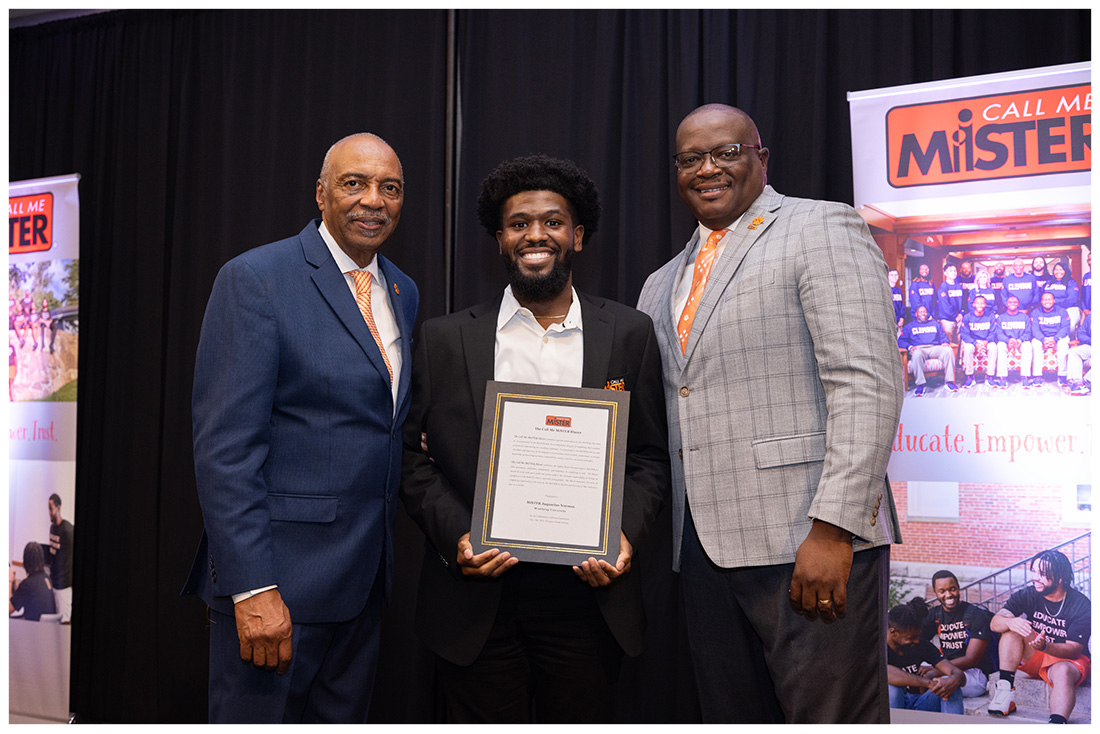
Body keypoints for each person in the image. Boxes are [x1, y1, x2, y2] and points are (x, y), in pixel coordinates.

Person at [636, 104, 903, 723]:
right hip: (700, 548)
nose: (707, 168)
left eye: (726, 152)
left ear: (760, 157)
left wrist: (835, 527)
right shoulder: (659, 283)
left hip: (808, 540)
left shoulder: (822, 228)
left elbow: (867, 383)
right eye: (690, 158)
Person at [400, 155, 669, 723]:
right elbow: (410, 460)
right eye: (518, 223)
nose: (535, 234)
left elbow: (647, 456)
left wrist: (623, 536)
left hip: (589, 599)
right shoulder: (444, 339)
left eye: (552, 220)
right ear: (499, 240)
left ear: (578, 234)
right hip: (476, 599)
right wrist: (459, 537)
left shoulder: (628, 333)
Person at [183, 133, 419, 724]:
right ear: (320, 193)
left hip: (364, 587)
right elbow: (226, 450)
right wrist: (251, 587)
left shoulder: (402, 290)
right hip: (279, 591)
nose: (374, 200)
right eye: (354, 183)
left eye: (389, 188)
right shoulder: (256, 279)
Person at [988, 551, 1091, 724]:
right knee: (1012, 629)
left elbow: (1074, 650)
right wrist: (1011, 622)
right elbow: (994, 623)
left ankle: (1057, 722)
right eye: (1034, 572)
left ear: (1060, 578)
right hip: (1037, 652)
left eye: (1042, 574)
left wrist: (1046, 647)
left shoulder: (1081, 604)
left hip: (1066, 660)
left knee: (1063, 671)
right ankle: (1005, 693)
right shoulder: (1028, 594)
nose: (1035, 578)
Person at [922, 570, 996, 697]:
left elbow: (971, 659)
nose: (949, 595)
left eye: (952, 589)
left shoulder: (976, 615)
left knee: (944, 684)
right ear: (935, 592)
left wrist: (936, 669)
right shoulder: (935, 614)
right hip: (944, 665)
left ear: (958, 588)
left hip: (972, 674)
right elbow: (918, 642)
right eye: (942, 591)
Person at [887, 597, 965, 715]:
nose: (917, 641)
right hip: (889, 708)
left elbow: (956, 672)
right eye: (911, 638)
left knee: (950, 688)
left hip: (919, 704)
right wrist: (929, 683)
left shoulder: (922, 645)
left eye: (918, 636)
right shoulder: (878, 647)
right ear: (893, 632)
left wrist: (954, 680)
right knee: (893, 690)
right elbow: (887, 673)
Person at [899, 305, 957, 396]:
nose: (923, 314)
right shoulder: (909, 326)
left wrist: (945, 342)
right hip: (919, 348)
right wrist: (910, 347)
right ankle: (920, 384)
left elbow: (943, 336)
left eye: (925, 312)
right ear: (916, 314)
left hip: (934, 347)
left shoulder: (935, 324)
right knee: (916, 354)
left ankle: (949, 382)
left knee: (948, 350)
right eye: (921, 312)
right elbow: (900, 341)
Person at [1029, 291, 1071, 387]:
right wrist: (1043, 339)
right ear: (1041, 301)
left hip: (1058, 337)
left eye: (1049, 299)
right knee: (1035, 344)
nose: (1047, 301)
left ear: (1054, 301)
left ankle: (1062, 375)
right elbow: (1035, 329)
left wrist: (1055, 339)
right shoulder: (1036, 312)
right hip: (1042, 337)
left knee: (1063, 345)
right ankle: (1037, 376)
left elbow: (1065, 328)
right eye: (1045, 299)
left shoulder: (1062, 311)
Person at [43, 494, 73, 622]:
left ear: (58, 508)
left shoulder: (67, 530)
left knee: (64, 622)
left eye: (51, 508)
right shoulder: (52, 528)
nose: (49, 512)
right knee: (54, 622)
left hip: (64, 587)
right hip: (54, 583)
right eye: (48, 509)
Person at [9, 542, 57, 621]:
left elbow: (8, 609)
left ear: (26, 561)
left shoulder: (27, 584)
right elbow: (26, 593)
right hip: (46, 629)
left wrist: (9, 580)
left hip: (33, 629)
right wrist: (15, 582)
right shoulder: (46, 578)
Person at [993, 295, 1033, 388]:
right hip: (1007, 341)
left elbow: (1028, 332)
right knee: (1000, 346)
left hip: (1021, 341)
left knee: (1027, 346)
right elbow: (999, 333)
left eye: (1015, 302)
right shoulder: (1001, 318)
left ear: (1018, 304)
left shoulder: (1025, 317)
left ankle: (1025, 377)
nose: (1012, 304)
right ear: (1006, 304)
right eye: (1010, 302)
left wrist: (1019, 340)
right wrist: (1008, 340)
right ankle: (1002, 378)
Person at [959, 295, 998, 388]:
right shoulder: (967, 317)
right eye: (978, 303)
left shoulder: (990, 316)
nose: (980, 305)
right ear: (974, 305)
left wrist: (986, 341)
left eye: (982, 303)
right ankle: (970, 377)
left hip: (986, 340)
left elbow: (993, 332)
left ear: (985, 305)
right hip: (973, 341)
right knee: (968, 348)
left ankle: (990, 376)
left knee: (993, 347)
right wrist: (975, 343)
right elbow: (964, 334)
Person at [1044, 260, 1080, 333]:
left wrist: (1058, 309)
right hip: (1051, 310)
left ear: (1065, 271)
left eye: (1061, 269)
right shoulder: (1048, 283)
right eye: (1056, 269)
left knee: (1069, 326)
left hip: (1069, 309)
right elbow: (1043, 296)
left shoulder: (1071, 282)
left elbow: (1072, 299)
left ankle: (1069, 341)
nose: (1058, 272)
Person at [935, 262, 965, 344]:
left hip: (959, 319)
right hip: (947, 320)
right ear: (945, 273)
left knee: (959, 342)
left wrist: (961, 313)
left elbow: (963, 302)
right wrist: (955, 316)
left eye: (955, 271)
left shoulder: (959, 286)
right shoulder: (943, 287)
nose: (953, 272)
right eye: (950, 271)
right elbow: (945, 305)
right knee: (948, 342)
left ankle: (958, 357)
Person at [1066, 311, 1091, 395]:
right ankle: (1076, 382)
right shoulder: (1091, 317)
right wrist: (1090, 340)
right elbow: (1081, 333)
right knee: (1073, 351)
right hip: (1092, 346)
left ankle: (1086, 381)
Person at [888, 267, 905, 333]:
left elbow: (901, 306)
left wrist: (902, 318)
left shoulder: (899, 290)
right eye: (891, 275)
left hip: (898, 321)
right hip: (889, 320)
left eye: (896, 275)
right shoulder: (885, 290)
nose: (894, 277)